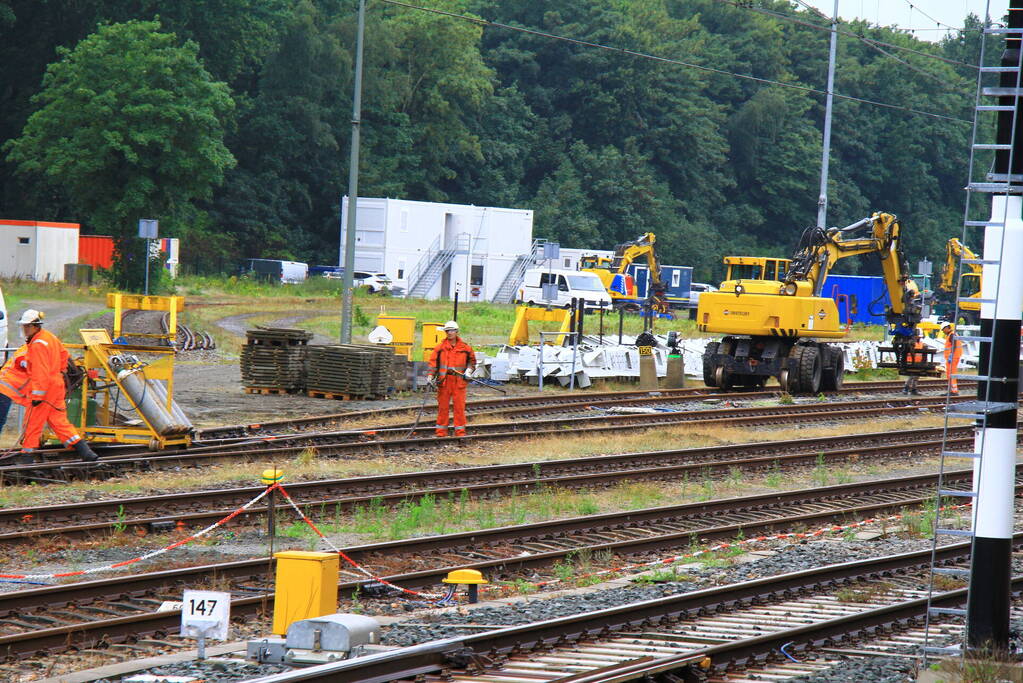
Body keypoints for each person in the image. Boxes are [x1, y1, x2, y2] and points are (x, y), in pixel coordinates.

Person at [16, 309, 98, 462]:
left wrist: (37, 396)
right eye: (24, 326)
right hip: (56, 385)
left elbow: (40, 372)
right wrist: (58, 372)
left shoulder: (38, 344)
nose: (25, 329)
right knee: (59, 422)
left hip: (44, 389)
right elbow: (64, 356)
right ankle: (85, 452)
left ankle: (26, 458)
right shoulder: (49, 338)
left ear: (35, 326)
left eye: (27, 326)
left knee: (32, 422)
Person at [427, 320, 476, 437]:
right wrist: (430, 376)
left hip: (459, 383)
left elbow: (472, 362)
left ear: (457, 332)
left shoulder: (466, 348)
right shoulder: (440, 348)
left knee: (459, 408)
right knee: (443, 408)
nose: (449, 333)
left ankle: (460, 432)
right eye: (447, 330)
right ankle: (441, 432)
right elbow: (433, 364)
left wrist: (469, 371)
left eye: (452, 330)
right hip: (444, 383)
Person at [0, 345, 29, 437]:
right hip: (4, 389)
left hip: (5, 389)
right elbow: (22, 361)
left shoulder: (29, 349)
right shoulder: (27, 351)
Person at [942, 322, 963, 396]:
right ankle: (952, 390)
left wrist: (951, 355)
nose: (943, 331)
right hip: (953, 357)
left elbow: (954, 345)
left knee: (951, 374)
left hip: (953, 357)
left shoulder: (952, 335)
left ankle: (953, 391)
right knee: (950, 374)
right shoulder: (952, 334)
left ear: (947, 328)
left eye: (943, 329)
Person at [902, 330, 925, 395]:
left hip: (918, 362)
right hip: (911, 362)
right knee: (912, 376)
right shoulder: (911, 343)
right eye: (918, 336)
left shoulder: (921, 343)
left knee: (916, 376)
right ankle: (906, 388)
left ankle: (913, 389)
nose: (919, 338)